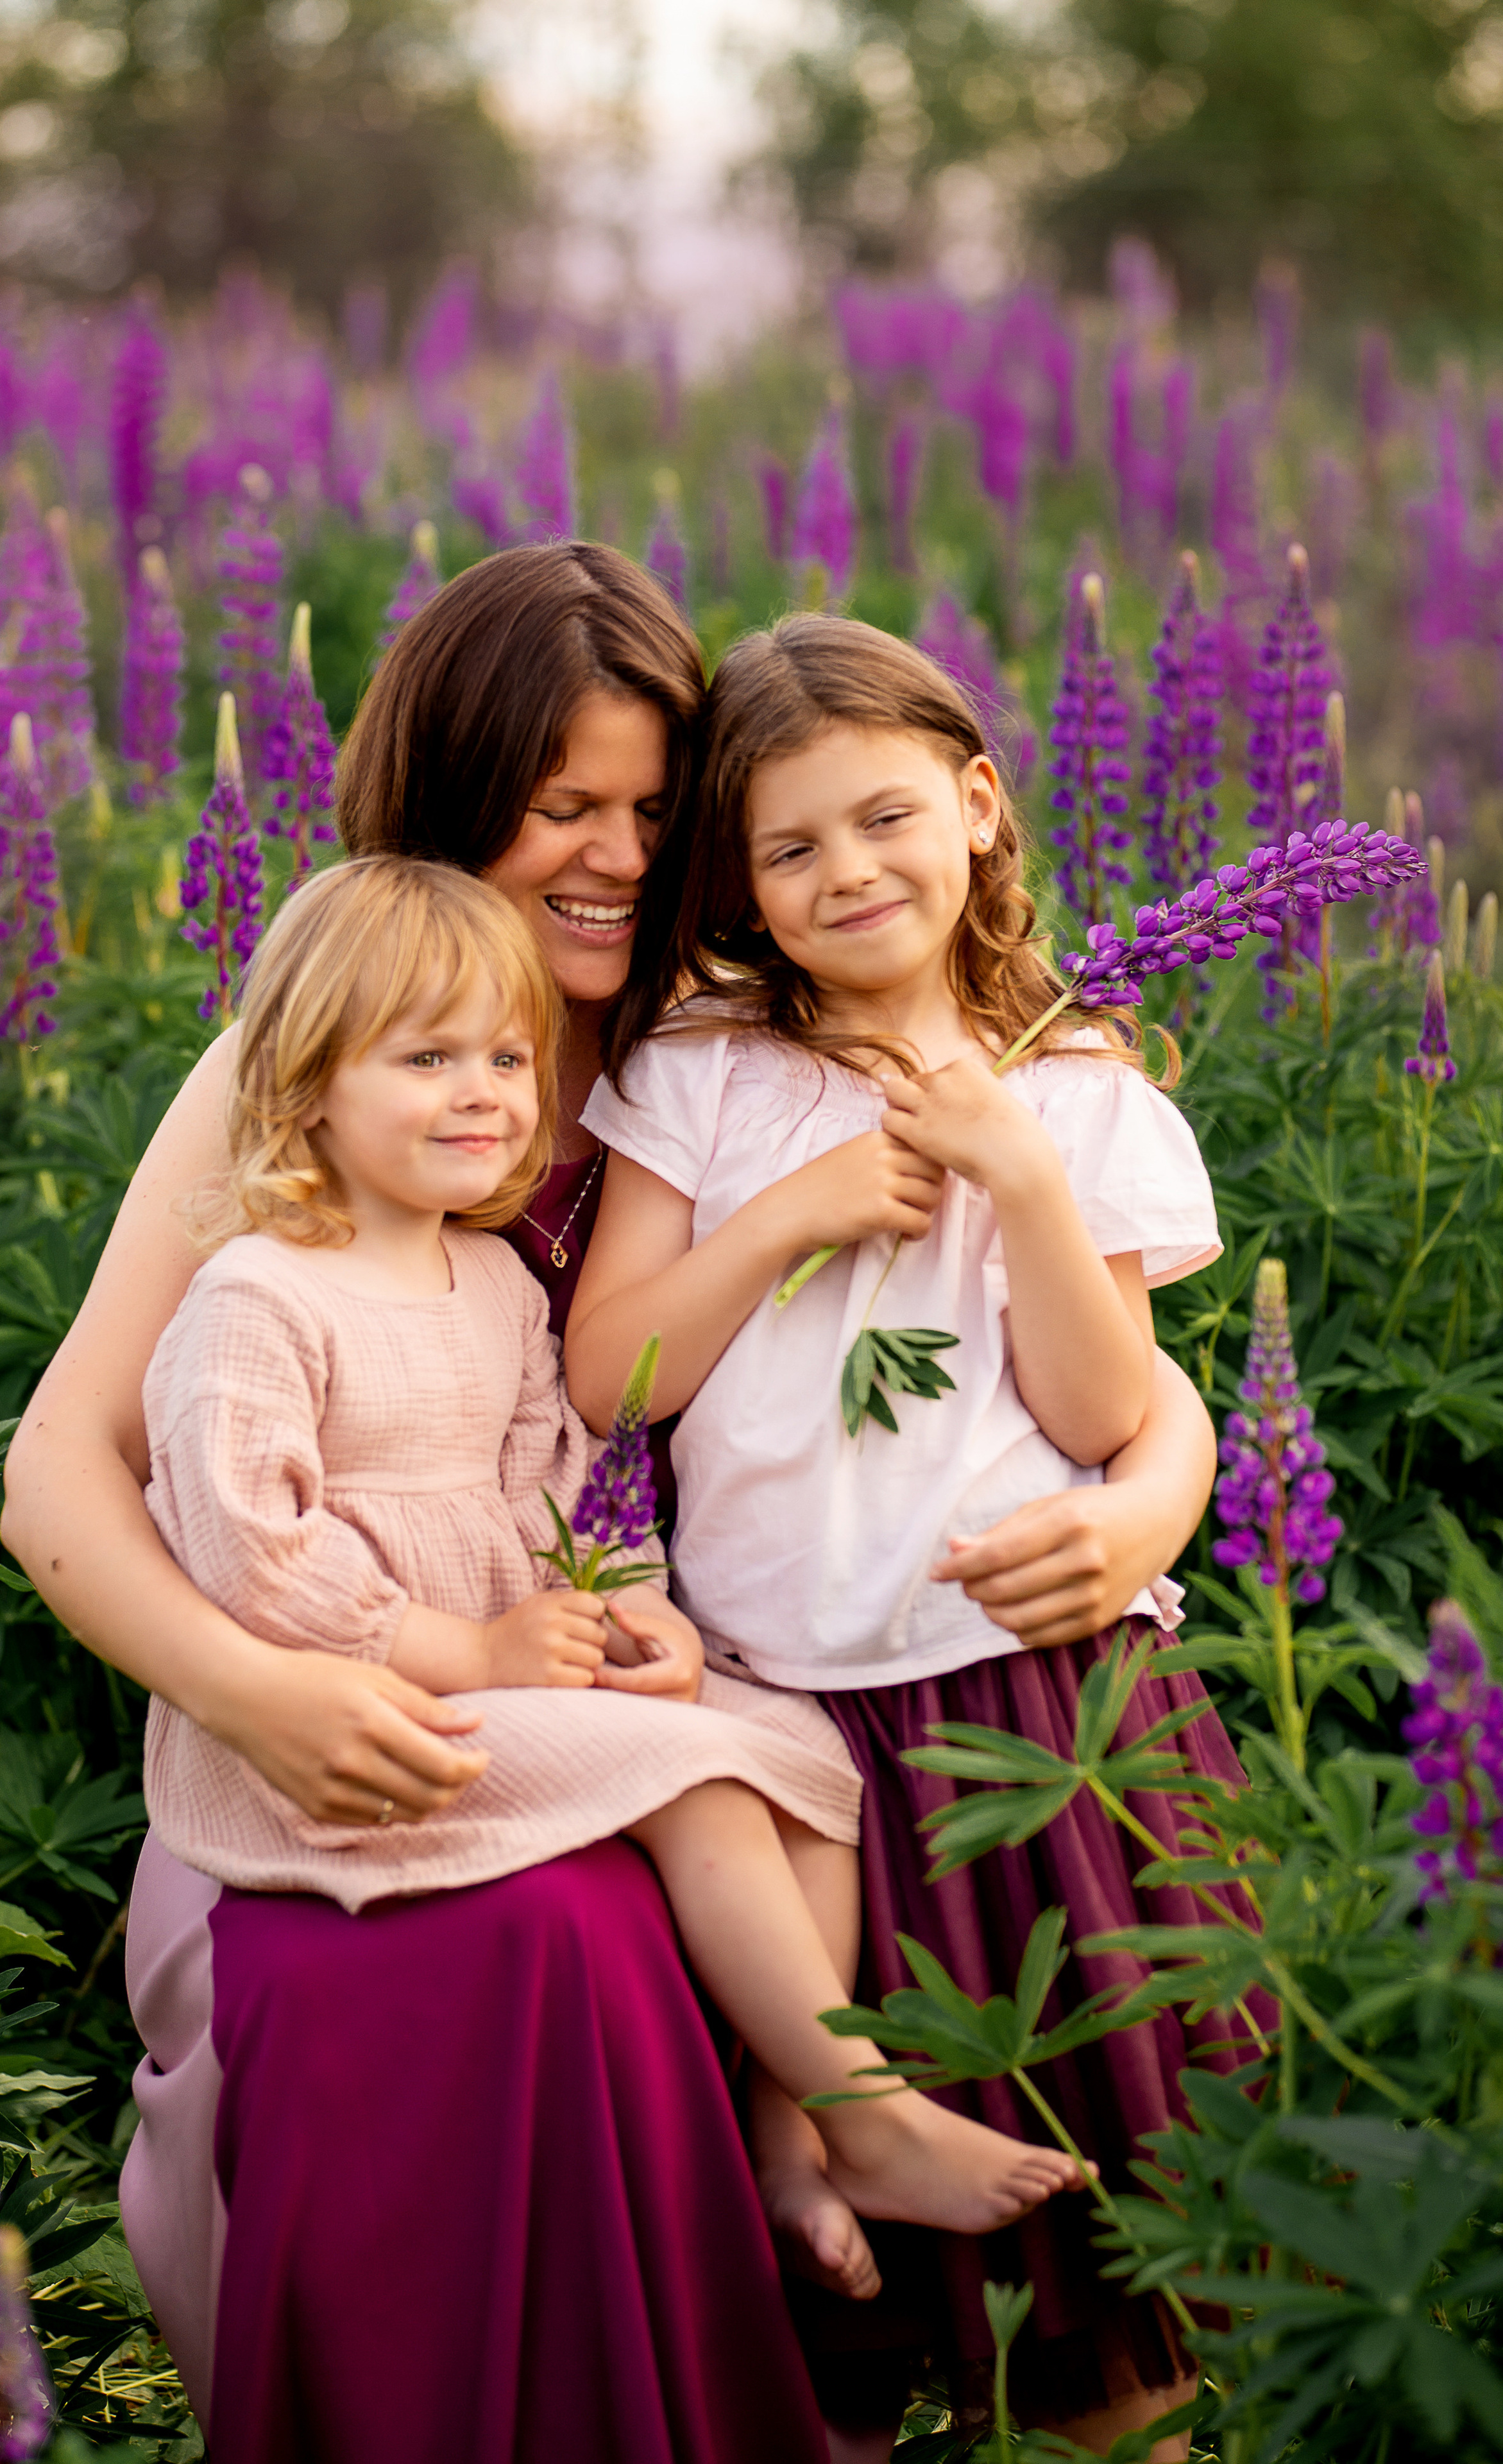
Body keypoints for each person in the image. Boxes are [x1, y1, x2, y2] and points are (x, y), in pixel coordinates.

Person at [0, 544, 1219, 2464]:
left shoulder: (739, 1047)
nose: (620, 857)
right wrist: (260, 1692)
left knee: (696, 1883)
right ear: (456, 800)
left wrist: (1159, 1494)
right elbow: (58, 1475)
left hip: (657, 1670)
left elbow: (1073, 1362)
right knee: (538, 1950)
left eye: (662, 812)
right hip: (340, 1704)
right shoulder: (326, 1067)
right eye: (566, 807)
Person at [147, 848, 1095, 2248]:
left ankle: (786, 2128)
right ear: (305, 1091)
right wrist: (462, 1648)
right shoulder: (256, 1292)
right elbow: (248, 1549)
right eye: (425, 1059)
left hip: (506, 1667)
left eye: (506, 1060)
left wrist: (631, 1607)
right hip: (352, 1717)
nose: (480, 1093)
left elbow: (563, 1483)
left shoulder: (486, 1278)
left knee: (797, 1762)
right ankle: (867, 2116)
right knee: (708, 1785)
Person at [567, 613, 1261, 2464]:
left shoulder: (1083, 1089)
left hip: (1042, 1714)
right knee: (832, 2310)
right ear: (741, 882)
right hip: (799, 1745)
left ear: (975, 802)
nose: (846, 871)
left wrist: (1023, 1172)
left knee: (1110, 2279)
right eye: (789, 849)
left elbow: (1111, 1414)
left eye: (882, 819)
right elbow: (615, 1368)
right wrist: (786, 1212)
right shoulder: (706, 1073)